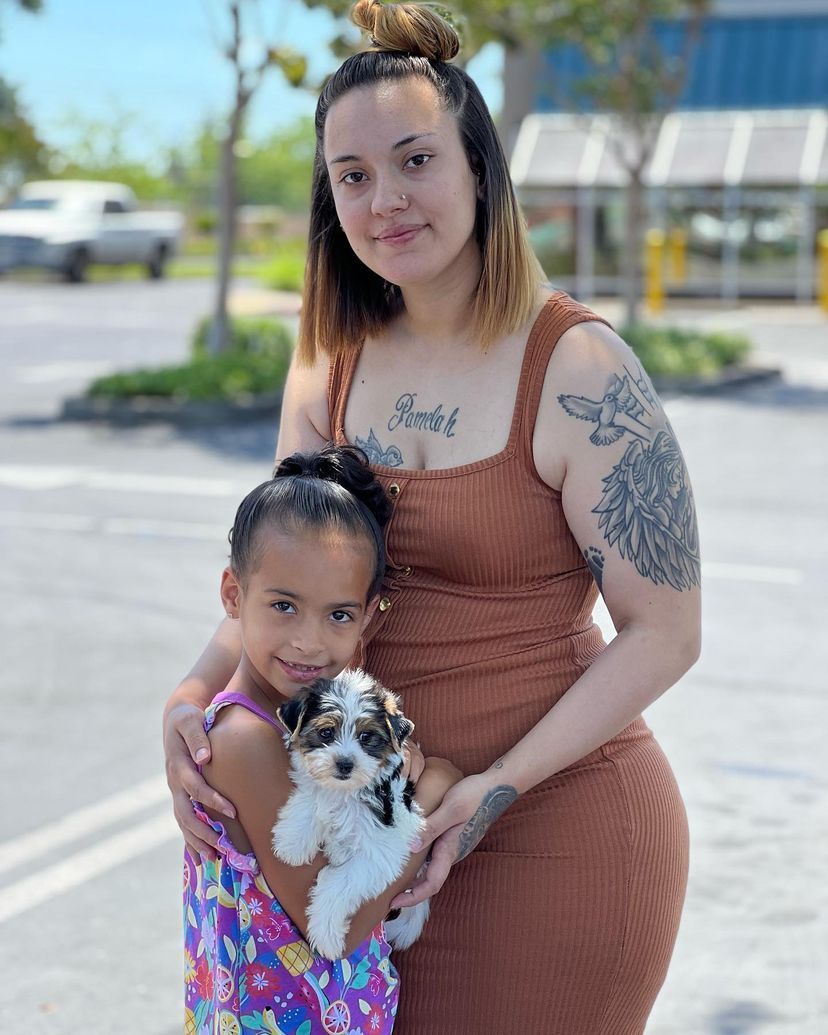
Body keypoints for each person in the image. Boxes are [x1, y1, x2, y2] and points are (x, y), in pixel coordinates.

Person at [164, 1, 702, 1030]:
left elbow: (667, 631)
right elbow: (285, 588)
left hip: (554, 832)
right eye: (353, 177)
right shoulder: (331, 352)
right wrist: (189, 703)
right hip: (363, 846)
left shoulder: (579, 369)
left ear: (478, 170)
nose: (385, 201)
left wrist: (488, 791)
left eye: (415, 161)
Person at [181, 445, 462, 1034]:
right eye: (283, 605)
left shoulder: (297, 721)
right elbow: (341, 928)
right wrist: (437, 787)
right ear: (233, 595)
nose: (309, 643)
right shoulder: (244, 741)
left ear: (368, 618)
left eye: (338, 615)